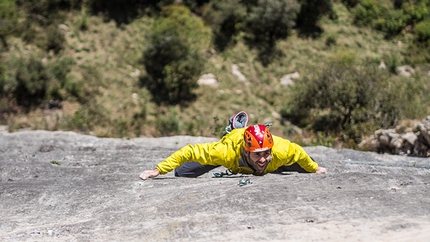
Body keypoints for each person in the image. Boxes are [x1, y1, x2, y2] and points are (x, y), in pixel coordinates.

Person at [139, 122, 327, 180]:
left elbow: (300, 154)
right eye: (257, 155)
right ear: (246, 152)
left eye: (266, 154)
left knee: (305, 165)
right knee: (182, 172)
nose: (262, 159)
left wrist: (315, 168)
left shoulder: (282, 149)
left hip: (272, 159)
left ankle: (275, 167)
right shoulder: (225, 152)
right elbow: (189, 151)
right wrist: (159, 169)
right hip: (233, 146)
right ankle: (235, 128)